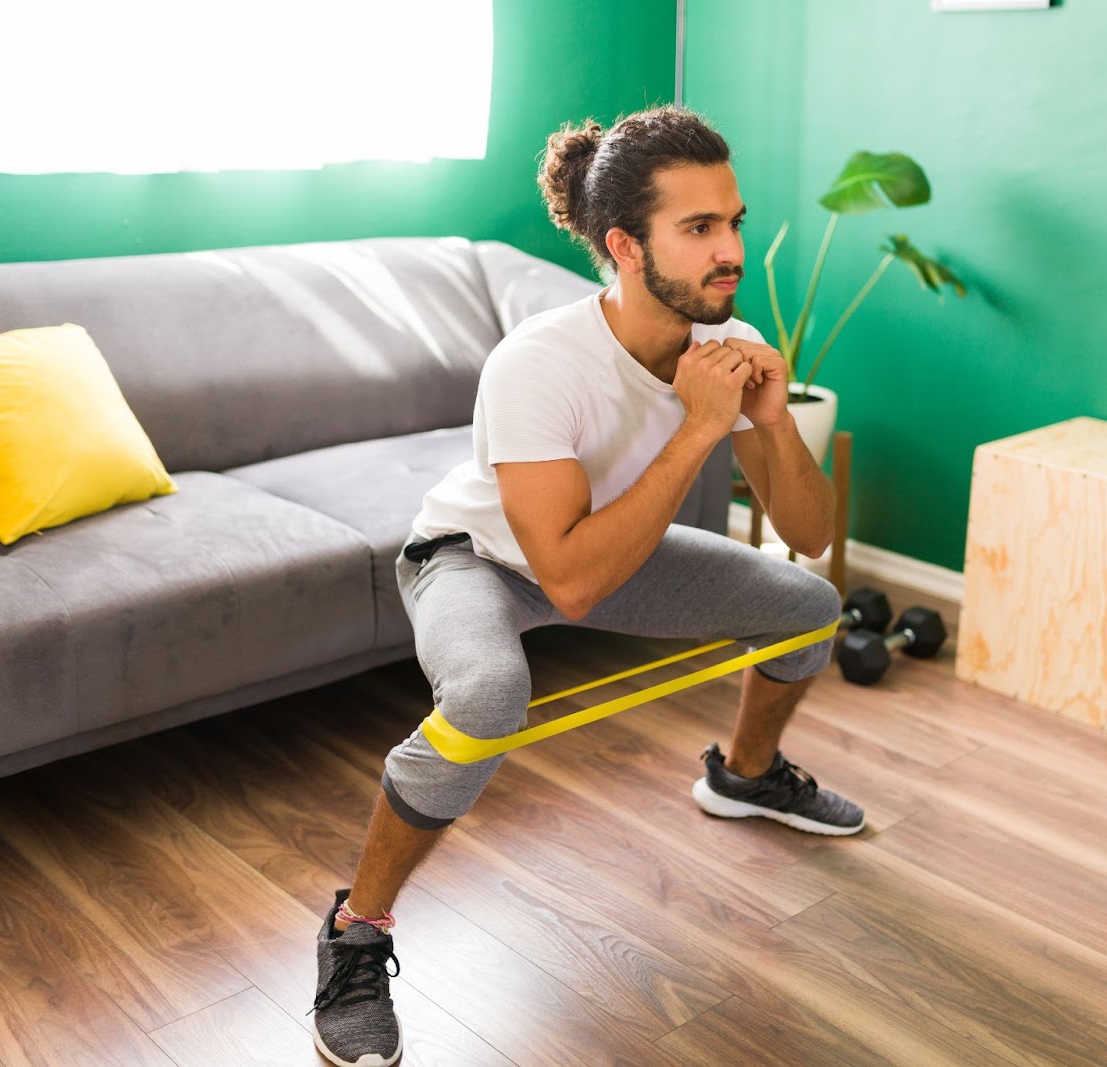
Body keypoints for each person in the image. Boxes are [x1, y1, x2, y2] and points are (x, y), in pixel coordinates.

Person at [310, 105, 865, 1067]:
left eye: (733, 221)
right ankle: (357, 930)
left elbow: (811, 543)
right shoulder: (538, 364)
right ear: (623, 244)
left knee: (805, 609)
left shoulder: (721, 337)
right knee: (488, 695)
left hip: (610, 549)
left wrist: (770, 421)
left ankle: (744, 775)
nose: (730, 250)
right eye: (699, 230)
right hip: (474, 559)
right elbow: (566, 583)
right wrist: (698, 429)